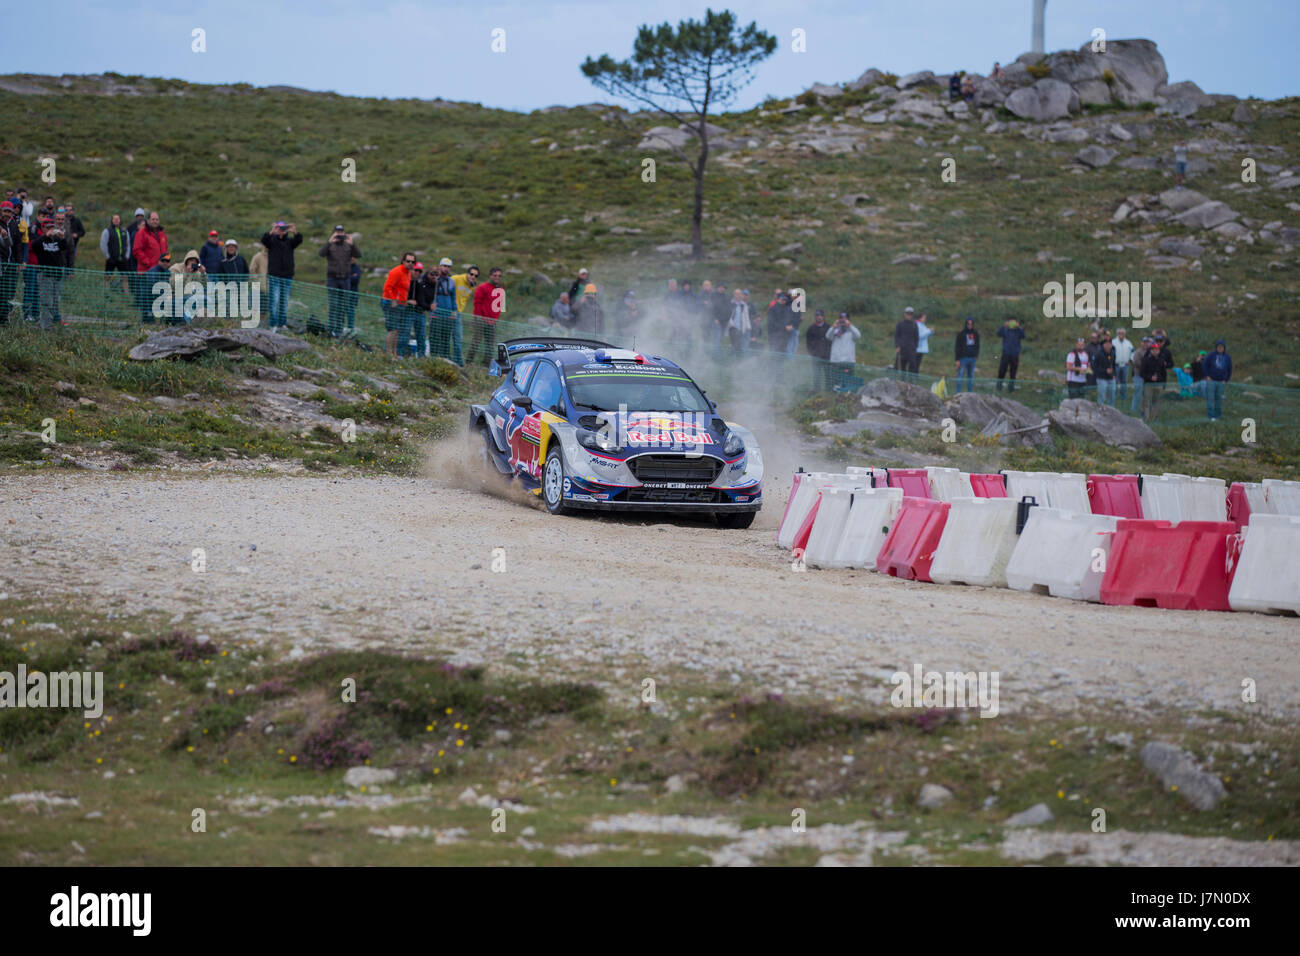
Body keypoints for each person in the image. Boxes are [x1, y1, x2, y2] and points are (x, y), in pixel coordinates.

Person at [258, 221, 302, 329]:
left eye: (283, 228)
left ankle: (282, 324)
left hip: (287, 276)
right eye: (279, 228)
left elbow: (299, 240)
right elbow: (264, 240)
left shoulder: (290, 242)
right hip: (274, 276)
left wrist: (294, 231)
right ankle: (273, 324)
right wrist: (272, 231)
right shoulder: (272, 241)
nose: (281, 231)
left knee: (284, 301)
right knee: (274, 300)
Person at [319, 226, 360, 336]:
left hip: (345, 279)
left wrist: (352, 244)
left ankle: (339, 330)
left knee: (343, 305)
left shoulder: (348, 245)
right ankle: (332, 329)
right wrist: (329, 242)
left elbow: (358, 255)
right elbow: (321, 253)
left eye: (341, 232)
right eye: (337, 232)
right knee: (333, 305)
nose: (340, 234)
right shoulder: (330, 245)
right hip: (332, 279)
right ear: (334, 233)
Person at [33, 217, 70, 330]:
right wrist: (45, 236)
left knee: (54, 302)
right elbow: (34, 246)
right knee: (46, 302)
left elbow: (64, 248)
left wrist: (63, 238)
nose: (51, 230)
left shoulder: (56, 239)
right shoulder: (39, 240)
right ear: (43, 228)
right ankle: (46, 327)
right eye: (48, 227)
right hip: (45, 275)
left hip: (57, 275)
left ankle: (50, 324)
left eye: (52, 227)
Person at [133, 211, 168, 323]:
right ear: (148, 220)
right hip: (146, 271)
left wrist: (166, 262)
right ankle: (146, 320)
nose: (155, 221)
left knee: (159, 295)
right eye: (153, 219)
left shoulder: (162, 234)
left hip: (160, 271)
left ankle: (159, 319)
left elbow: (165, 250)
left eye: (157, 219)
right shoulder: (142, 233)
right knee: (146, 295)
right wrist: (148, 263)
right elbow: (137, 250)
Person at [382, 252, 417, 358]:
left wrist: (404, 301)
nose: (410, 263)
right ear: (403, 261)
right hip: (391, 302)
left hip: (401, 304)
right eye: (408, 261)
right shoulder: (396, 271)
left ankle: (394, 353)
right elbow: (387, 287)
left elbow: (403, 290)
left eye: (413, 262)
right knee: (392, 329)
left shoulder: (408, 273)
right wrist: (393, 300)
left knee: (397, 329)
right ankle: (388, 353)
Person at [468, 267, 505, 367]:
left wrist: (495, 319)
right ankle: (468, 362)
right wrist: (479, 317)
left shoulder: (501, 290)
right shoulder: (482, 287)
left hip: (492, 321)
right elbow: (477, 303)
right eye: (495, 275)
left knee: (490, 345)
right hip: (481, 319)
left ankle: (485, 365)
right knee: (476, 341)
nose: (497, 278)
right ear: (490, 276)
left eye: (499, 276)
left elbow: (500, 305)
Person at [431, 258, 462, 364]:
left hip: (448, 315)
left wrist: (454, 311)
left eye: (448, 267)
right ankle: (433, 359)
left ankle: (445, 360)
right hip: (436, 314)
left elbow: (453, 297)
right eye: (444, 266)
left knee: (446, 339)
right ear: (440, 266)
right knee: (435, 338)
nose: (446, 268)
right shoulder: (434, 279)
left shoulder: (451, 281)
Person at [1138, 337, 1172, 421]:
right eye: (1153, 349)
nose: (1155, 351)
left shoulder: (1161, 360)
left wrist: (1164, 383)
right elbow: (1141, 373)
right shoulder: (1146, 360)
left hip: (1159, 384)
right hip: (1148, 384)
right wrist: (1150, 377)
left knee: (1156, 402)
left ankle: (1154, 418)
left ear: (1159, 351)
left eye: (1157, 349)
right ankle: (1147, 418)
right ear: (1151, 350)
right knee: (1147, 401)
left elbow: (1164, 373)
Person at [99, 213, 133, 296]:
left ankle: (126, 295)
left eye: (118, 219)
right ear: (112, 220)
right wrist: (107, 256)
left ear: (120, 220)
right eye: (114, 219)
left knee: (125, 277)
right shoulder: (107, 231)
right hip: (111, 259)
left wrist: (127, 256)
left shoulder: (125, 231)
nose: (116, 220)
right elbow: (103, 244)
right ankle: (106, 294)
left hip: (123, 259)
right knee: (107, 277)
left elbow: (128, 244)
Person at [0, 201, 22, 323]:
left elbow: (17, 244)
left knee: (8, 291)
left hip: (11, 263)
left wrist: (19, 262)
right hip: (1, 262)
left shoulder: (13, 225)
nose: (7, 214)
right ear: (1, 211)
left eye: (9, 211)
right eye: (5, 211)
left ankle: (4, 317)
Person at [826, 311, 861, 387]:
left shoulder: (851, 331)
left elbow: (858, 335)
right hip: (836, 361)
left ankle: (846, 395)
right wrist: (833, 327)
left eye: (845, 319)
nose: (843, 321)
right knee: (835, 382)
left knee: (848, 382)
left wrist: (850, 326)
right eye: (841, 319)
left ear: (848, 320)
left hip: (848, 361)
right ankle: (835, 395)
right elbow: (828, 336)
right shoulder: (835, 330)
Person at [406, 262, 431, 357]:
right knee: (404, 333)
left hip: (419, 312)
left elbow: (421, 300)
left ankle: (421, 356)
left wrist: (426, 307)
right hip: (407, 311)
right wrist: (407, 301)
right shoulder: (405, 281)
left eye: (420, 271)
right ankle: (401, 354)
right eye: (416, 270)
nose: (417, 273)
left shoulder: (420, 284)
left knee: (421, 336)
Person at [1203, 339, 1232, 421]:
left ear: (1224, 348)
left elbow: (1230, 369)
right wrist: (1206, 376)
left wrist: (1226, 379)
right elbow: (1204, 364)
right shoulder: (1211, 355)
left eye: (1221, 347)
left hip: (1221, 381)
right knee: (1210, 399)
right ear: (1216, 347)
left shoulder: (1227, 357)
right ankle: (1210, 416)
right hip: (1211, 380)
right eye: (1218, 347)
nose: (1220, 348)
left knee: (1219, 399)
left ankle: (1218, 416)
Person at [804, 309, 832, 390]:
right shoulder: (811, 328)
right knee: (816, 374)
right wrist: (812, 353)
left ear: (823, 317)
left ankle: (828, 389)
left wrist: (830, 352)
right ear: (815, 317)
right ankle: (816, 390)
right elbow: (808, 343)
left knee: (828, 374)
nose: (819, 317)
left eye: (820, 316)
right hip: (816, 355)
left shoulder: (829, 327)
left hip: (827, 355)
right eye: (817, 316)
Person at [995, 318, 1025, 391]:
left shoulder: (1018, 331)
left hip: (1015, 355)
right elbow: (998, 334)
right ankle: (999, 387)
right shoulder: (1006, 330)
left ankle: (1011, 388)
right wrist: (1003, 326)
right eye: (1010, 322)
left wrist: (1019, 327)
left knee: (1013, 372)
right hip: (1006, 354)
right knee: (1002, 371)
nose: (1012, 323)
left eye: (1013, 322)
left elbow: (1023, 336)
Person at [954, 317, 979, 392]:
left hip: (972, 358)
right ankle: (957, 394)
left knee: (970, 377)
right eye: (968, 323)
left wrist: (976, 355)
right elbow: (957, 347)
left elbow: (977, 345)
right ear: (966, 324)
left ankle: (970, 393)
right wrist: (957, 359)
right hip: (963, 358)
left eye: (971, 324)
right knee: (960, 377)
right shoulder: (961, 334)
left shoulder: (975, 333)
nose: (970, 325)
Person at [345, 235, 362, 335]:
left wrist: (347, 277)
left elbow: (356, 279)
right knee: (341, 311)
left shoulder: (357, 268)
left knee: (351, 312)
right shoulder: (342, 266)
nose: (351, 258)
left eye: (353, 256)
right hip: (344, 292)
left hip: (353, 293)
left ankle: (350, 329)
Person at [894, 306, 919, 376]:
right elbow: (896, 336)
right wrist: (897, 346)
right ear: (905, 314)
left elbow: (916, 337)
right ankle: (901, 381)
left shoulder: (914, 325)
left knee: (912, 367)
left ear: (912, 315)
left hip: (911, 349)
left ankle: (911, 383)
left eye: (910, 314)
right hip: (902, 348)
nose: (909, 315)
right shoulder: (900, 324)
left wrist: (915, 347)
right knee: (901, 367)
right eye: (907, 314)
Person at [249, 242, 269, 326]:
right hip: (258, 286)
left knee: (265, 308)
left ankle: (262, 324)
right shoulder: (258, 256)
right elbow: (252, 270)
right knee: (256, 307)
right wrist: (257, 280)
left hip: (269, 287)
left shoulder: (275, 257)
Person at [1130, 336, 1151, 413]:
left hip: (1146, 376)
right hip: (1138, 375)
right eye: (1144, 342)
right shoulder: (1138, 352)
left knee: (1146, 395)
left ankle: (1143, 410)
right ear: (1141, 343)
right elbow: (1136, 363)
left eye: (1147, 342)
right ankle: (1134, 410)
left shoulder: (1150, 352)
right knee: (1137, 393)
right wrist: (1146, 365)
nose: (1145, 344)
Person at [1094, 337, 1118, 406]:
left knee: (1112, 395)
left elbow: (1113, 365)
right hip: (1101, 378)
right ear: (1103, 345)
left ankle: (1111, 411)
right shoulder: (1098, 353)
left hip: (1111, 377)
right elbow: (1095, 367)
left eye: (1109, 343)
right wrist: (1105, 371)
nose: (1108, 345)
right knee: (1102, 396)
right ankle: (1100, 411)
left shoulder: (1112, 353)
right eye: (1106, 343)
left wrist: (1114, 374)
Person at [1112, 328, 1134, 400]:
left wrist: (1130, 360)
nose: (1121, 335)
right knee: (1115, 381)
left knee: (1124, 382)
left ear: (1124, 334)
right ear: (1117, 334)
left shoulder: (1128, 343)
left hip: (1125, 365)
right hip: (1116, 365)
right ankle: (1114, 397)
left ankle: (1123, 397)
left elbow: (1133, 352)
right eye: (1119, 333)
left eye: (1122, 333)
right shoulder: (1113, 342)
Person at [726, 287, 750, 352]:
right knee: (733, 345)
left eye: (740, 294)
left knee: (740, 345)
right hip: (732, 328)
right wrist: (730, 323)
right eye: (737, 294)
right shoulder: (730, 303)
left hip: (741, 328)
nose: (738, 295)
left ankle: (738, 359)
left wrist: (748, 326)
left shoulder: (744, 305)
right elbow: (727, 315)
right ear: (734, 295)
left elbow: (746, 316)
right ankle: (731, 358)